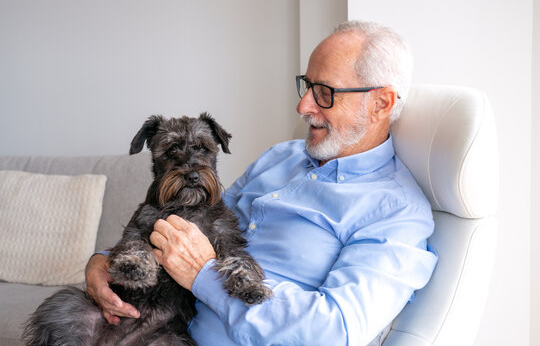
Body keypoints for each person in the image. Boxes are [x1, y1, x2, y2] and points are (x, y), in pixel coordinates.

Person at [85, 20, 438, 346]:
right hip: (152, 321)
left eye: (325, 92)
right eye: (307, 85)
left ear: (380, 103)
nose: (302, 106)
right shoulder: (280, 157)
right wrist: (104, 261)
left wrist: (204, 275)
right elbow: (193, 217)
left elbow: (333, 331)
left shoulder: (397, 213)